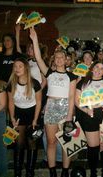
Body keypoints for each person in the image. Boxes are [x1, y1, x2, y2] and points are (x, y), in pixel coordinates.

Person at [30, 27, 77, 177]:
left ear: (66, 60)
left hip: (65, 109)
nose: (58, 59)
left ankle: (64, 171)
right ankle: (52, 172)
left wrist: (69, 117)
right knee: (51, 142)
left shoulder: (72, 76)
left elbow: (71, 97)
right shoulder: (49, 73)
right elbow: (38, 58)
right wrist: (35, 39)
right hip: (50, 108)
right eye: (56, 57)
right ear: (54, 60)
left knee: (66, 143)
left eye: (61, 57)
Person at [75, 61, 103, 177]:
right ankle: (93, 172)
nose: (98, 70)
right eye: (96, 67)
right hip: (90, 117)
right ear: (92, 68)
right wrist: (86, 110)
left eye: (101, 68)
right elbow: (76, 101)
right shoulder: (83, 83)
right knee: (93, 147)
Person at [7, 58, 42, 177]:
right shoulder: (11, 83)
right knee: (19, 144)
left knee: (32, 143)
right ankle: (17, 173)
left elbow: (39, 102)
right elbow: (10, 102)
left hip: (33, 114)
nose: (17, 69)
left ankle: (30, 172)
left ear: (26, 68)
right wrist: (11, 117)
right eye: (15, 66)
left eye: (20, 66)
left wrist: (35, 120)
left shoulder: (35, 83)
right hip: (18, 115)